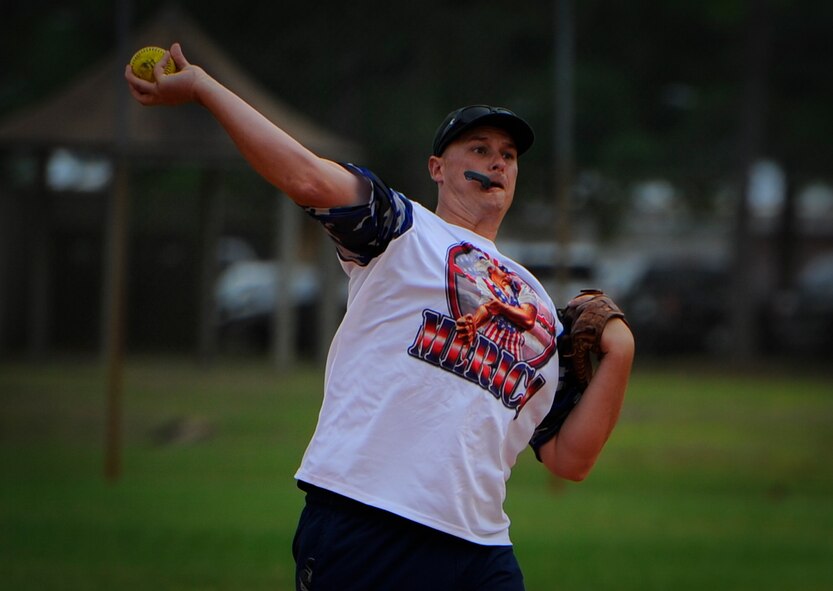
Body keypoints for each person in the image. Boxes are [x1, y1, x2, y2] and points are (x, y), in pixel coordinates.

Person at [126, 43, 635, 591]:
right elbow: (304, 177)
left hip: (480, 546)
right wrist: (205, 88)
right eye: (480, 148)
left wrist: (621, 353)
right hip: (367, 518)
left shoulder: (534, 301)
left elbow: (569, 456)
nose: (497, 163)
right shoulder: (402, 229)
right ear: (437, 168)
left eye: (508, 156)